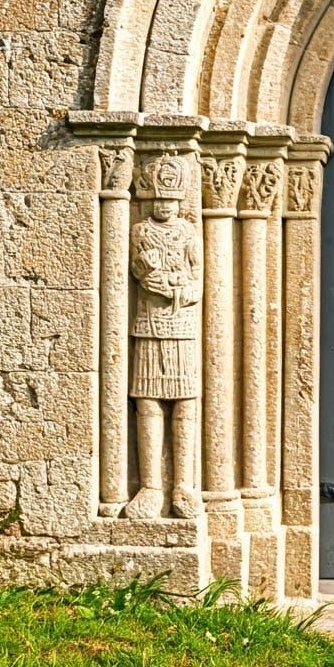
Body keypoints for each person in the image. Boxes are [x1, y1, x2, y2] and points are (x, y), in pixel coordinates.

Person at [124, 155, 201, 520]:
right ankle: (151, 486)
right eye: (159, 200)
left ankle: (183, 485)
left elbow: (199, 280)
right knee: (148, 399)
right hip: (148, 322)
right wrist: (149, 277)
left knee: (186, 400)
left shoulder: (188, 231)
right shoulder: (139, 230)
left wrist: (182, 290)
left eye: (171, 200)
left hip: (182, 325)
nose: (165, 206)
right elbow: (137, 266)